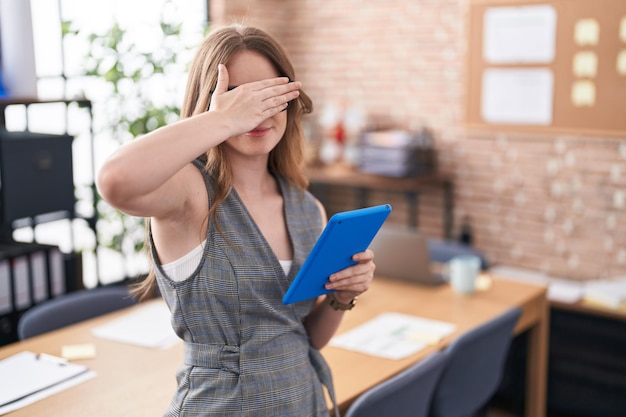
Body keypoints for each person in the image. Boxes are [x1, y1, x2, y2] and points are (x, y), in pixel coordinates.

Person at [97, 24, 376, 417]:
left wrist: (342, 296)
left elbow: (304, 337)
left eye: (268, 95)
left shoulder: (307, 208)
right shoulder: (190, 195)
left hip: (303, 402)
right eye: (238, 97)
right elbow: (115, 180)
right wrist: (224, 121)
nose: (256, 112)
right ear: (210, 104)